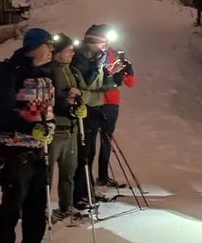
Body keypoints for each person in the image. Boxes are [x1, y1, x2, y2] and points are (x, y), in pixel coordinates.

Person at [0, 28, 57, 243]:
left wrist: (49, 126)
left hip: (39, 146)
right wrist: (30, 128)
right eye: (47, 45)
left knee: (37, 198)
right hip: (15, 148)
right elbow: (2, 112)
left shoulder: (43, 74)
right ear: (34, 47)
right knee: (13, 202)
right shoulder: (11, 73)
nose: (51, 50)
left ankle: (32, 242)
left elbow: (45, 109)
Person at [70, 24, 124, 210]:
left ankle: (87, 191)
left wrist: (112, 75)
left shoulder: (97, 58)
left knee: (90, 153)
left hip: (94, 112)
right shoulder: (79, 61)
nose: (106, 46)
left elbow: (101, 87)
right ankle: (78, 196)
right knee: (83, 155)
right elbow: (84, 91)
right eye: (103, 42)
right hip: (81, 114)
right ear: (92, 41)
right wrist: (94, 95)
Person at [46, 33, 93, 222]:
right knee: (46, 174)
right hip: (55, 130)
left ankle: (67, 206)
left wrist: (80, 97)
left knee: (69, 172)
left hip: (72, 128)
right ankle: (42, 209)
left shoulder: (73, 71)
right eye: (68, 50)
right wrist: (66, 101)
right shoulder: (48, 71)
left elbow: (88, 94)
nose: (72, 52)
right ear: (57, 52)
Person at [97, 29, 135, 188]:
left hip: (111, 104)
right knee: (89, 144)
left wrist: (128, 71)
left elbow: (130, 83)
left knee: (106, 141)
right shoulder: (92, 57)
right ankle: (85, 182)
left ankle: (103, 176)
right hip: (95, 102)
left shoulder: (115, 55)